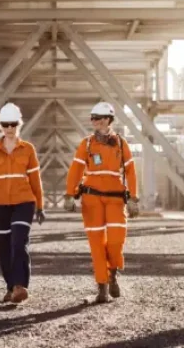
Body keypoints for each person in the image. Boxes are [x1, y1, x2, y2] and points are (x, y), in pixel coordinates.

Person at [64, 101, 139, 304]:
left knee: (115, 241)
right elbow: (76, 170)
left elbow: (131, 172)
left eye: (98, 118)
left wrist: (133, 198)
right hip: (91, 199)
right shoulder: (86, 144)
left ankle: (113, 272)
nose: (94, 122)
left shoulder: (122, 144)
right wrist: (69, 195)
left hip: (115, 198)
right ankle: (102, 288)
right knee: (96, 245)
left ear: (108, 120)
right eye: (92, 118)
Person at [0, 102, 45, 304]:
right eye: (5, 124)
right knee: (4, 246)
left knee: (19, 241)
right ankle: (10, 287)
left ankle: (20, 286)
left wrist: (40, 205)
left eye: (13, 124)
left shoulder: (28, 149)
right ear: (0, 126)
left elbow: (35, 180)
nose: (9, 128)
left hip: (24, 202)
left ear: (19, 124)